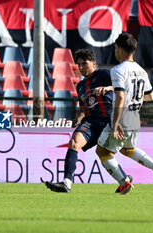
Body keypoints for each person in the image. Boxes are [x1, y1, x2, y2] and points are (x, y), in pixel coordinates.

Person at [95, 33, 153, 194]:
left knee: (102, 151)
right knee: (127, 149)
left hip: (122, 117)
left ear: (121, 50)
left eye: (116, 48)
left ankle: (124, 182)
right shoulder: (141, 71)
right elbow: (151, 96)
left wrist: (115, 123)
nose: (115, 51)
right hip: (135, 117)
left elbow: (121, 97)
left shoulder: (117, 70)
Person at [45, 48, 120, 193]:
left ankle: (124, 180)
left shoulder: (104, 74)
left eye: (84, 64)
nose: (81, 68)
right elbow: (84, 108)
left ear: (93, 63)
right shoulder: (80, 86)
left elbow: (121, 87)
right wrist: (78, 119)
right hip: (91, 122)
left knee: (116, 152)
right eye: (78, 65)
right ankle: (66, 183)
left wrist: (108, 88)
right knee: (74, 142)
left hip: (107, 122)